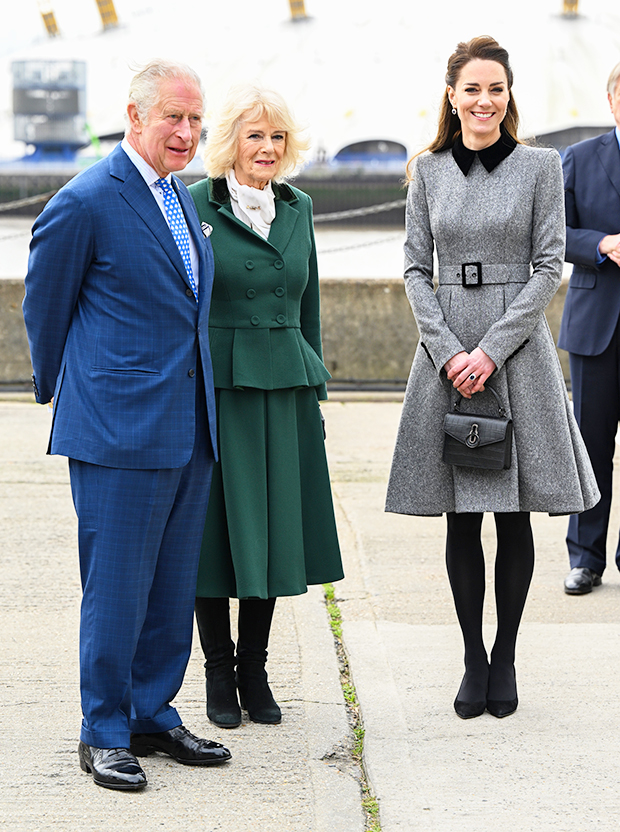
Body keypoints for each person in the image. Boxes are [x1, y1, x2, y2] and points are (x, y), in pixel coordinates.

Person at [22, 60, 232, 791]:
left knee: (172, 588)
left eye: (195, 119)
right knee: (114, 588)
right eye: (173, 117)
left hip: (189, 425)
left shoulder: (180, 198)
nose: (186, 132)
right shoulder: (87, 200)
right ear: (135, 117)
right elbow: (43, 308)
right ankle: (104, 728)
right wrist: (64, 391)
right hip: (117, 431)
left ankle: (151, 711)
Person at [385, 36, 599, 719]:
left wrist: (491, 350)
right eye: (472, 89)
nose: (484, 100)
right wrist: (450, 352)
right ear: (451, 95)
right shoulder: (428, 170)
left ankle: (504, 654)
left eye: (495, 89)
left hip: (516, 349)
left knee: (513, 517)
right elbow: (418, 268)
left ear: (508, 97)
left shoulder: (541, 166)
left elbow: (548, 265)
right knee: (459, 516)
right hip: (446, 347)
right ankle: (471, 658)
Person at [188, 84, 343, 729]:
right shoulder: (192, 203)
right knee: (215, 535)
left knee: (275, 531)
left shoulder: (299, 207)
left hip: (286, 388)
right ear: (229, 144)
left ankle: (256, 666)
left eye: (277, 137)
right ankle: (218, 671)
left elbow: (307, 307)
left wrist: (317, 389)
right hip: (219, 389)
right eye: (255, 136)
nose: (268, 148)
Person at [558, 62, 620, 596]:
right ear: (611, 99)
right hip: (597, 326)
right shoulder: (577, 159)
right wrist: (602, 244)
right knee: (591, 446)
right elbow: (554, 234)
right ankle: (586, 559)